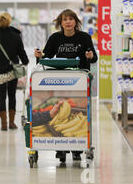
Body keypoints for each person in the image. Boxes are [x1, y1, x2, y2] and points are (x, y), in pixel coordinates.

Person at [34, 8, 97, 161]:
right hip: (61, 80)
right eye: (64, 19)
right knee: (61, 112)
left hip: (80, 80)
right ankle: (61, 148)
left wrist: (90, 56)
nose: (68, 22)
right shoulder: (55, 38)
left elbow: (93, 58)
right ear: (60, 23)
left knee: (80, 113)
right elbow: (46, 58)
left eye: (70, 19)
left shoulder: (84, 38)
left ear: (76, 21)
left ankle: (77, 149)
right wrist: (39, 56)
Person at [0, 13, 29, 131]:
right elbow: (22, 54)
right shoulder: (16, 35)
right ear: (9, 21)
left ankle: (3, 124)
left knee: (1, 96)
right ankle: (12, 123)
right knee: (12, 95)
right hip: (12, 69)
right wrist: (25, 61)